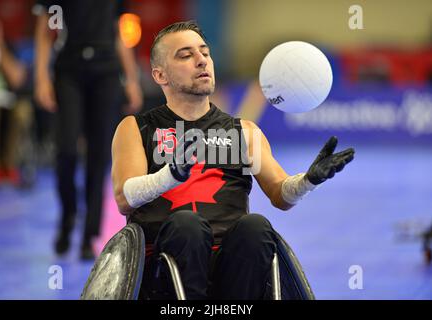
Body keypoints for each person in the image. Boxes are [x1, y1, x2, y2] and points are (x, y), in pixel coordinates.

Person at [111, 21, 355, 299]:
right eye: (186, 55)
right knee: (187, 224)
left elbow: (280, 193)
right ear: (160, 75)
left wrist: (308, 181)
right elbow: (123, 198)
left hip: (232, 265)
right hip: (166, 264)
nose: (201, 60)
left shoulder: (245, 132)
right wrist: (169, 176)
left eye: (204, 52)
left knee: (257, 227)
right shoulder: (136, 127)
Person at [33, 0, 143, 260]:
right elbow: (44, 31)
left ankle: (88, 234)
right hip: (68, 70)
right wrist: (40, 78)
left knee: (99, 154)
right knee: (67, 150)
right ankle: (68, 214)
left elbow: (119, 32)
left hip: (106, 72)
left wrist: (132, 80)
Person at [0, 4, 29, 187]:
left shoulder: (6, 45)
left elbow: (17, 78)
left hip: (7, 102)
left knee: (22, 112)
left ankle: (9, 167)